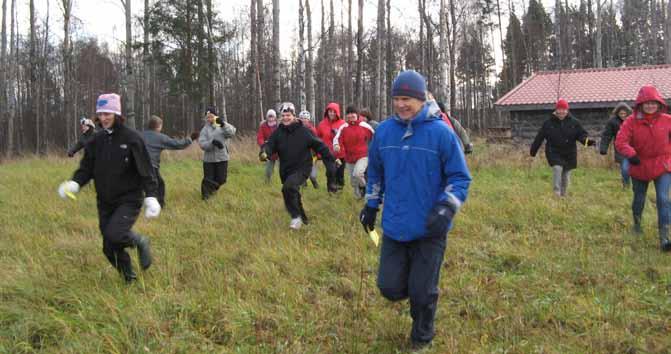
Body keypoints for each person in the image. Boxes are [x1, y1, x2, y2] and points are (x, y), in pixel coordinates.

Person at [359, 70, 471, 350]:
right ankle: (419, 291)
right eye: (396, 98)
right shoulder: (384, 132)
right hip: (395, 226)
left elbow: (460, 178)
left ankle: (422, 335)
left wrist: (447, 207)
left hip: (430, 229)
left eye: (407, 98)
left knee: (422, 292)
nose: (401, 104)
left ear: (421, 99)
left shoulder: (441, 134)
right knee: (390, 288)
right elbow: (375, 174)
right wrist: (371, 206)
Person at [57, 93, 160, 283]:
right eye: (101, 114)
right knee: (108, 247)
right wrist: (75, 183)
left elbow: (146, 170)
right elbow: (86, 168)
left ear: (117, 114)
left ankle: (139, 241)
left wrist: (152, 196)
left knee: (115, 234)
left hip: (129, 199)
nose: (103, 118)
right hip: (105, 201)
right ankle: (130, 279)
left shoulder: (132, 138)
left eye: (108, 114)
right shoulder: (96, 141)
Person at [260, 102, 337, 230]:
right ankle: (304, 219)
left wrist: (330, 160)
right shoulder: (278, 132)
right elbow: (269, 145)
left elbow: (320, 145)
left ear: (294, 116)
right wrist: (264, 152)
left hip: (302, 167)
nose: (286, 118)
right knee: (291, 192)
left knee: (288, 188)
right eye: (283, 115)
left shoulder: (304, 131)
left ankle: (295, 217)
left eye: (288, 115)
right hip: (286, 169)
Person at [615, 85, 671, 251]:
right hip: (639, 164)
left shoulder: (667, 120)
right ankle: (637, 224)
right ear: (640, 104)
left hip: (663, 164)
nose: (650, 106)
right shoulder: (630, 122)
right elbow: (621, 142)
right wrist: (631, 154)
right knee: (639, 198)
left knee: (663, 198)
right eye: (647, 103)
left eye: (653, 103)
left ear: (659, 103)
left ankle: (664, 236)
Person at [530, 99, 595, 197]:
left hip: (569, 153)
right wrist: (533, 151)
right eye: (559, 109)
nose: (561, 112)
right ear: (556, 110)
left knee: (565, 174)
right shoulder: (548, 123)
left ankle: (563, 195)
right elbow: (539, 137)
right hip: (553, 151)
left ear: (567, 110)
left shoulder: (575, 123)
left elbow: (581, 135)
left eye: (564, 109)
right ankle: (556, 192)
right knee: (557, 168)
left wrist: (588, 142)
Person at [141, 115, 193, 207]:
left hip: (137, 165)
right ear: (158, 126)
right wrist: (190, 139)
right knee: (158, 185)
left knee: (139, 186)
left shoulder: (140, 135)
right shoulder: (160, 137)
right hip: (151, 166)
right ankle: (160, 206)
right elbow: (177, 144)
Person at [333, 106, 374, 199]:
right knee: (353, 181)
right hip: (350, 158)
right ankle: (358, 197)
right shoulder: (344, 127)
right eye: (349, 113)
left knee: (358, 174)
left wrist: (376, 148)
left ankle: (365, 187)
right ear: (346, 115)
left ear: (357, 115)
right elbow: (337, 138)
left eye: (353, 113)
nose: (351, 115)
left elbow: (375, 135)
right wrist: (336, 145)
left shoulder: (363, 125)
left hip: (363, 156)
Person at [198, 106, 237, 200]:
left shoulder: (222, 125)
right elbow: (202, 144)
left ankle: (211, 191)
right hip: (209, 160)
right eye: (207, 117)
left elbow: (232, 133)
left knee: (222, 179)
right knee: (208, 179)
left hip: (222, 157)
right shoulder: (204, 129)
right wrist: (211, 143)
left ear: (215, 116)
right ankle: (206, 197)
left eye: (211, 116)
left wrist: (223, 124)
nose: (209, 118)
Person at [599, 102, 633, 188]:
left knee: (634, 169)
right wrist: (603, 148)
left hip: (633, 148)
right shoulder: (612, 122)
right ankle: (626, 185)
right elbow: (607, 135)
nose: (623, 115)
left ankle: (636, 185)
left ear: (628, 113)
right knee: (625, 169)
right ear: (617, 113)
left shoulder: (633, 120)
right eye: (621, 113)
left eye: (625, 113)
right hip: (620, 149)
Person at [317, 102, 347, 189]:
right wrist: (318, 152)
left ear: (337, 112)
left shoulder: (343, 123)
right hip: (327, 154)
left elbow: (347, 138)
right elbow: (317, 139)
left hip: (340, 154)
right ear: (327, 112)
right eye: (330, 111)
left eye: (334, 111)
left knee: (339, 173)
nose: (332, 113)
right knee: (331, 171)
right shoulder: (321, 124)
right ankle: (331, 190)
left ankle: (340, 190)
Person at [299, 110, 320, 189]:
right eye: (302, 118)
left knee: (312, 175)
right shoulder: (296, 129)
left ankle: (315, 185)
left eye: (306, 118)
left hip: (312, 155)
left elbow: (317, 142)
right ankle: (304, 187)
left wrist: (318, 154)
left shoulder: (312, 130)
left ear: (309, 120)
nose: (304, 120)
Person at [257, 109, 279, 183]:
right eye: (269, 116)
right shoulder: (263, 126)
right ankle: (267, 182)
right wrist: (263, 145)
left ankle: (286, 182)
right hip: (269, 150)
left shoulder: (279, 126)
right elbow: (260, 137)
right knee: (268, 170)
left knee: (284, 168)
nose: (271, 118)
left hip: (280, 151)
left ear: (275, 117)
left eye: (272, 116)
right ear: (267, 117)